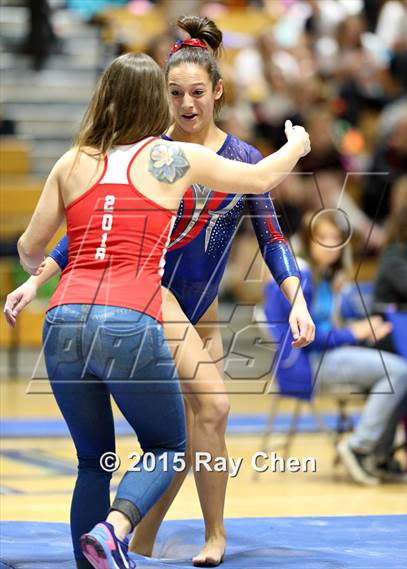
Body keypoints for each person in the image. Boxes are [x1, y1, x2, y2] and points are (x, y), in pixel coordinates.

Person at [4, 16, 315, 568]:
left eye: (197, 93)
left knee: (202, 424)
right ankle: (134, 536)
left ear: (217, 91)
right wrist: (37, 277)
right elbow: (91, 235)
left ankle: (207, 534)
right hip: (153, 299)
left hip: (190, 307)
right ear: (160, 97)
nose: (186, 104)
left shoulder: (231, 157)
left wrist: (297, 298)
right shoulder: (160, 153)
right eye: (174, 94)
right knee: (189, 423)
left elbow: (271, 236)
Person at [264, 211, 407, 486]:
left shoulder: (328, 277)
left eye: (336, 239)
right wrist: (353, 333)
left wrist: (362, 327)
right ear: (308, 242)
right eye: (323, 238)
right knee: (400, 372)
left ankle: (378, 456)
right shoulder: (300, 276)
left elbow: (338, 321)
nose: (331, 246)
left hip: (325, 357)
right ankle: (359, 447)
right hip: (308, 364)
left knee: (398, 370)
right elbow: (310, 337)